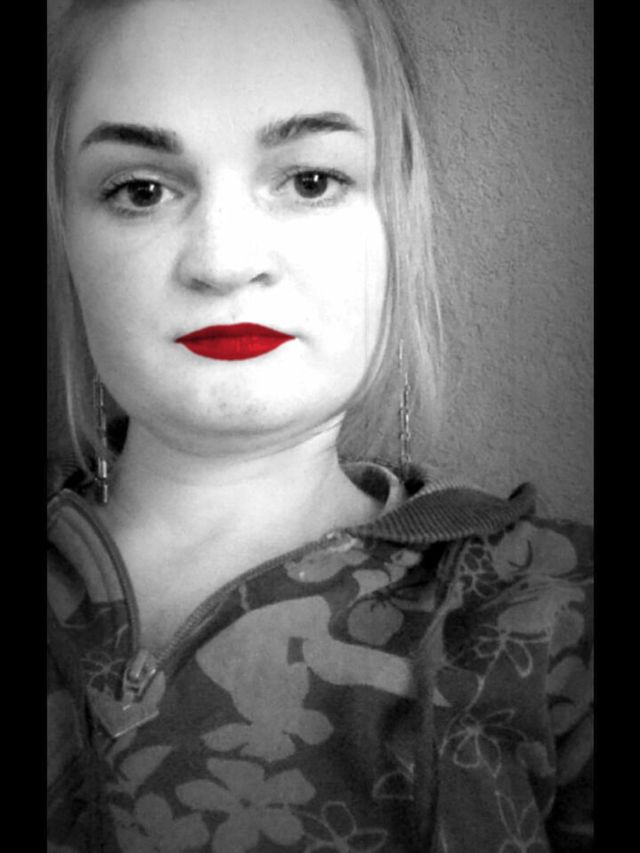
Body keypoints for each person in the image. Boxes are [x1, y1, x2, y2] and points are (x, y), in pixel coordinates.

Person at [46, 1, 593, 851]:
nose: (225, 262)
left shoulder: (559, 615)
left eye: (310, 180)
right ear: (66, 234)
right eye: (141, 190)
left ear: (396, 217)